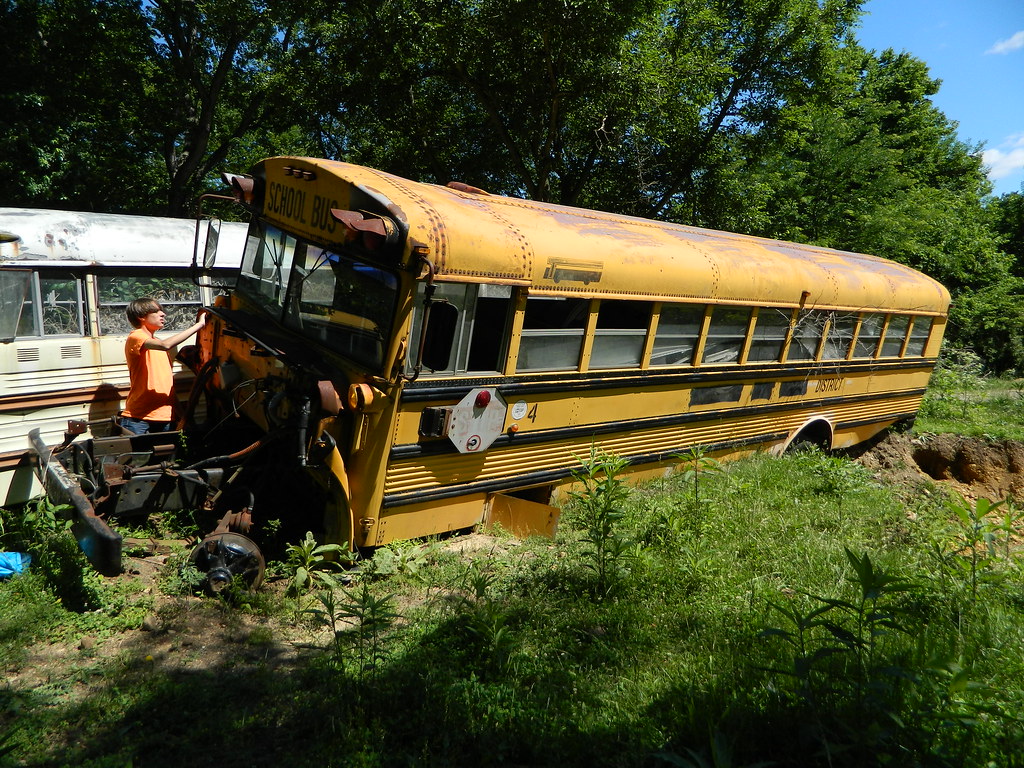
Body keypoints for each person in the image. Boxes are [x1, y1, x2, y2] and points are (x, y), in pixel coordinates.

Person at [120, 297, 207, 435]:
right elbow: (166, 345)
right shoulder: (136, 337)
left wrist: (184, 417)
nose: (163, 314)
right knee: (138, 456)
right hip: (139, 418)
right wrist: (199, 325)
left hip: (165, 418)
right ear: (141, 316)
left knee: (164, 457)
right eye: (157, 311)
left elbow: (168, 389)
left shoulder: (158, 345)